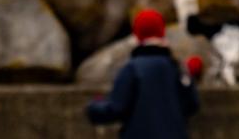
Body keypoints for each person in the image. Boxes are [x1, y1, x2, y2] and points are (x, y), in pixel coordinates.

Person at [86, 9, 201, 139]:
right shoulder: (176, 67)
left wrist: (94, 106)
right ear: (162, 32)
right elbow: (192, 104)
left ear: (137, 34)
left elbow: (116, 108)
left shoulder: (131, 69)